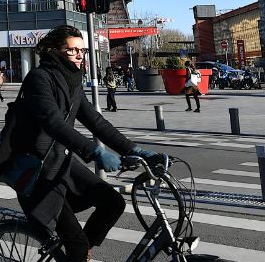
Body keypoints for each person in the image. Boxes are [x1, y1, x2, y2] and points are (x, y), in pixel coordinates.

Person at [10, 25, 156, 262]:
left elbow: (95, 121)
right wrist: (95, 152)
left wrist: (134, 149)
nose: (79, 55)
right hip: (37, 171)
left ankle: (80, 254)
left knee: (113, 203)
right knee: (75, 244)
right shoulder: (39, 78)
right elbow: (53, 122)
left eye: (82, 51)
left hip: (61, 163)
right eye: (73, 50)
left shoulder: (73, 81)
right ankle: (78, 252)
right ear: (55, 51)